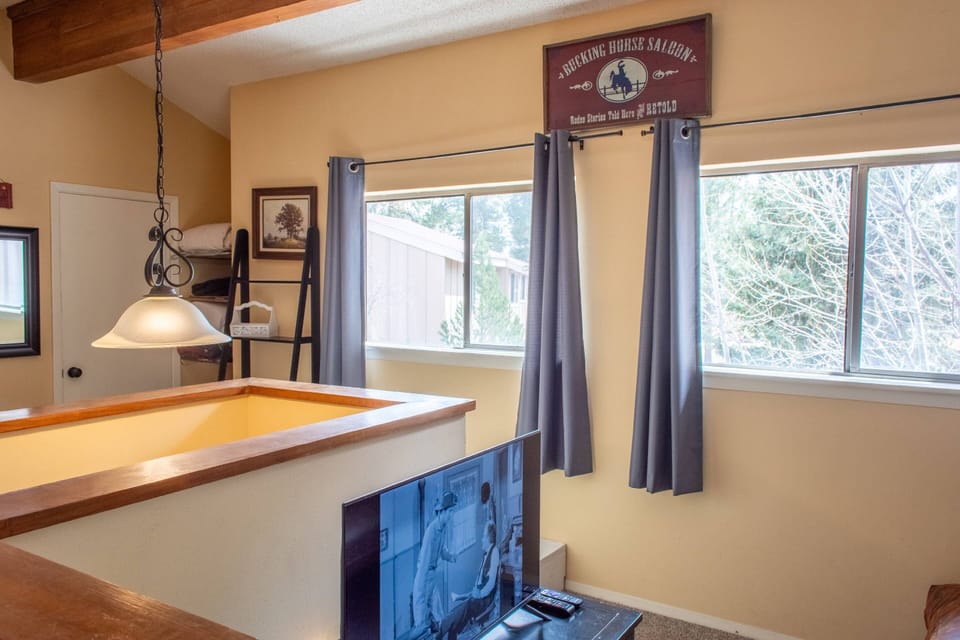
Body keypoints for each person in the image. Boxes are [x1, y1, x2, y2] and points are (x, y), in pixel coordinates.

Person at [411, 490, 459, 637]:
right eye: (450, 511)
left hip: (432, 577)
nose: (452, 515)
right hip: (424, 578)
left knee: (440, 617)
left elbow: (441, 551)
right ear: (442, 511)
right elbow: (424, 564)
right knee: (421, 625)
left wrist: (450, 557)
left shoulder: (442, 529)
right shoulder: (431, 532)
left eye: (453, 511)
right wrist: (420, 592)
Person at [442, 522, 501, 640]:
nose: (481, 539)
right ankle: (446, 627)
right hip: (477, 597)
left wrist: (480, 594)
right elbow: (481, 581)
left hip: (484, 600)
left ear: (489, 538)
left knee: (462, 610)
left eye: (483, 536)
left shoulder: (494, 553)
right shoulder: (487, 554)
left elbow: (490, 584)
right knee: (456, 618)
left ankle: (441, 628)